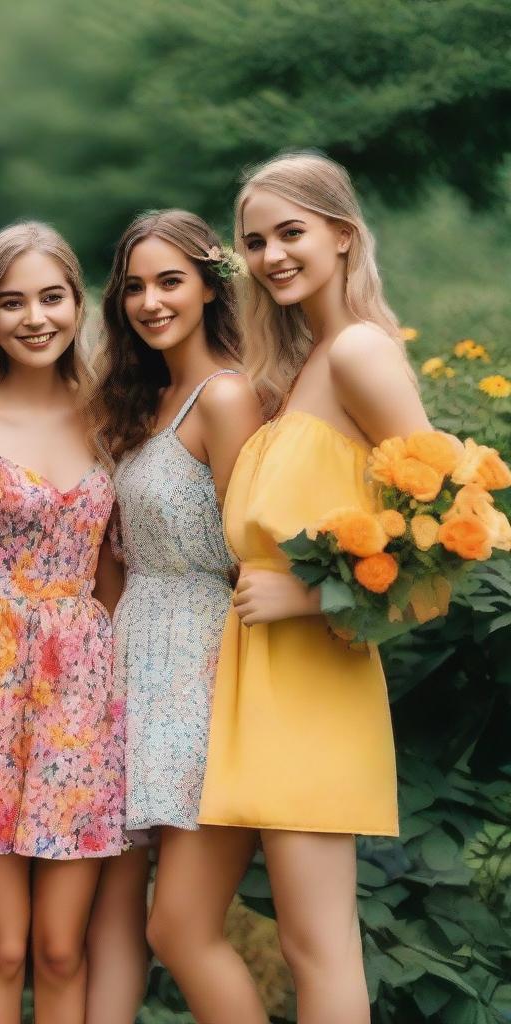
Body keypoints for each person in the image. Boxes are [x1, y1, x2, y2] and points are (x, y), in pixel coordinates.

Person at [179, 152, 430, 1024]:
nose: (273, 255)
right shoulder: (298, 373)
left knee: (318, 945)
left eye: (292, 233)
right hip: (255, 683)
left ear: (342, 237)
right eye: (255, 241)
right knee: (199, 926)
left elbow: (443, 528)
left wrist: (314, 598)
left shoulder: (360, 350)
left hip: (315, 672)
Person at [0, 222, 124, 1024]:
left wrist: (105, 687)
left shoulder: (111, 414)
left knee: (62, 948)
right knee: (3, 947)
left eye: (51, 297)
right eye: (12, 303)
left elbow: (113, 571)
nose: (34, 317)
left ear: (79, 304)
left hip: (82, 689)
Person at [88, 209, 261, 1024]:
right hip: (132, 664)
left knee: (179, 928)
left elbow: (255, 550)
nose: (151, 301)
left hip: (202, 664)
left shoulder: (226, 397)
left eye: (170, 282)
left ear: (207, 286)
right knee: (110, 917)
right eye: (134, 287)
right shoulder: (142, 401)